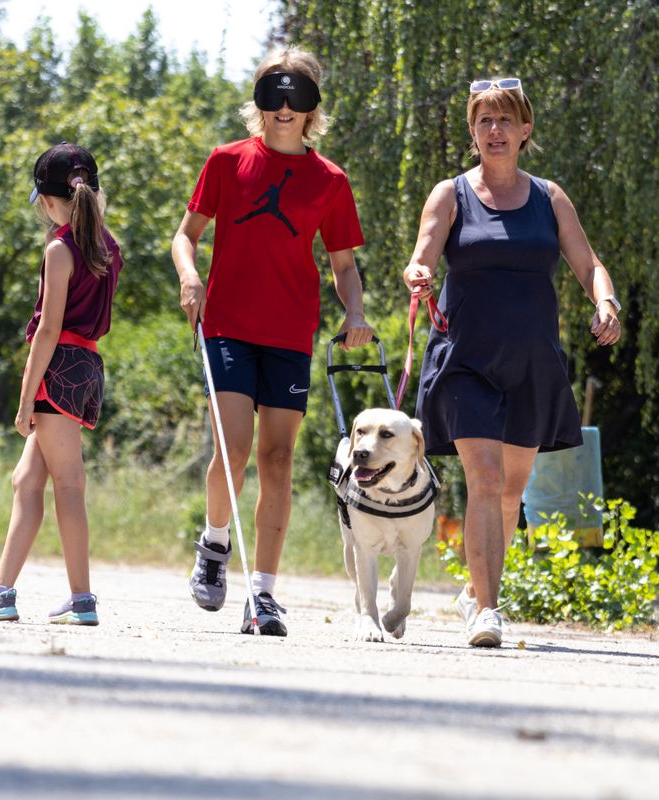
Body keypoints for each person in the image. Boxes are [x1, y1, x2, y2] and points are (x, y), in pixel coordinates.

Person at [402, 77, 621, 648]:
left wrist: (605, 299)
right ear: (473, 132)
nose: (494, 131)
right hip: (466, 360)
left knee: (511, 489)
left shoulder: (549, 197)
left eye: (505, 121)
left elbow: (588, 261)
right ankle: (488, 613)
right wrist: (418, 275)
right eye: (484, 121)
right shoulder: (449, 195)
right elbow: (421, 256)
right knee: (486, 478)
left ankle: (476, 589)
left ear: (525, 130)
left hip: (532, 362)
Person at [172, 47, 374, 637]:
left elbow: (343, 266)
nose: (284, 109)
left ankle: (263, 595)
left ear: (312, 108)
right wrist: (190, 277)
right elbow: (184, 237)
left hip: (290, 334)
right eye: (272, 96)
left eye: (297, 97)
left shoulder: (330, 181)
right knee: (233, 450)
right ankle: (213, 545)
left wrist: (355, 311)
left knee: (278, 460)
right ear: (258, 102)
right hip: (228, 324)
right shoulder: (226, 162)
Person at [0, 142, 124, 626]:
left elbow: (48, 330)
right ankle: (2, 591)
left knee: (68, 487)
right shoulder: (108, 246)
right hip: (88, 368)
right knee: (27, 480)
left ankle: (82, 599)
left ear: (48, 201)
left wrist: (27, 395)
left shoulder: (60, 248)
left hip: (59, 369)